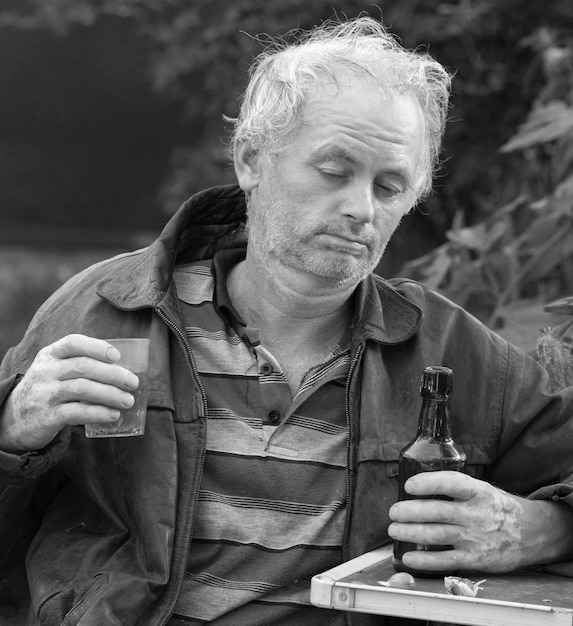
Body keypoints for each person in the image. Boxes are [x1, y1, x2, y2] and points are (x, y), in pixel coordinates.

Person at [1, 15, 573, 626]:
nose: (360, 209)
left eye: (389, 186)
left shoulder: (455, 349)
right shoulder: (105, 309)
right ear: (252, 159)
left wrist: (544, 529)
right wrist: (11, 433)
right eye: (334, 171)